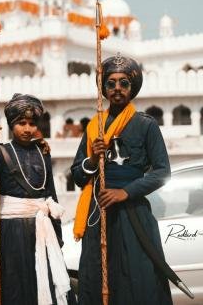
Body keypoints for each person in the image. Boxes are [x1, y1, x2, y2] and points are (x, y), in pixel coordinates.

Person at [71, 54, 173, 305]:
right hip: (99, 214)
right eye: (111, 83)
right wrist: (93, 159)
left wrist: (125, 192)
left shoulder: (146, 125)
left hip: (133, 213)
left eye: (124, 83)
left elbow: (162, 172)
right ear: (104, 88)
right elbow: (76, 174)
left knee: (138, 279)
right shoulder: (94, 126)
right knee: (99, 278)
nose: (117, 88)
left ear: (132, 87)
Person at [0, 93, 73, 305]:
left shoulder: (43, 152)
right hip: (11, 233)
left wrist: (57, 233)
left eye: (32, 123)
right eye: (21, 123)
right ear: (10, 125)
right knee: (14, 287)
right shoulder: (1, 152)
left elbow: (51, 194)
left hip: (42, 230)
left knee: (44, 284)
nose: (27, 129)